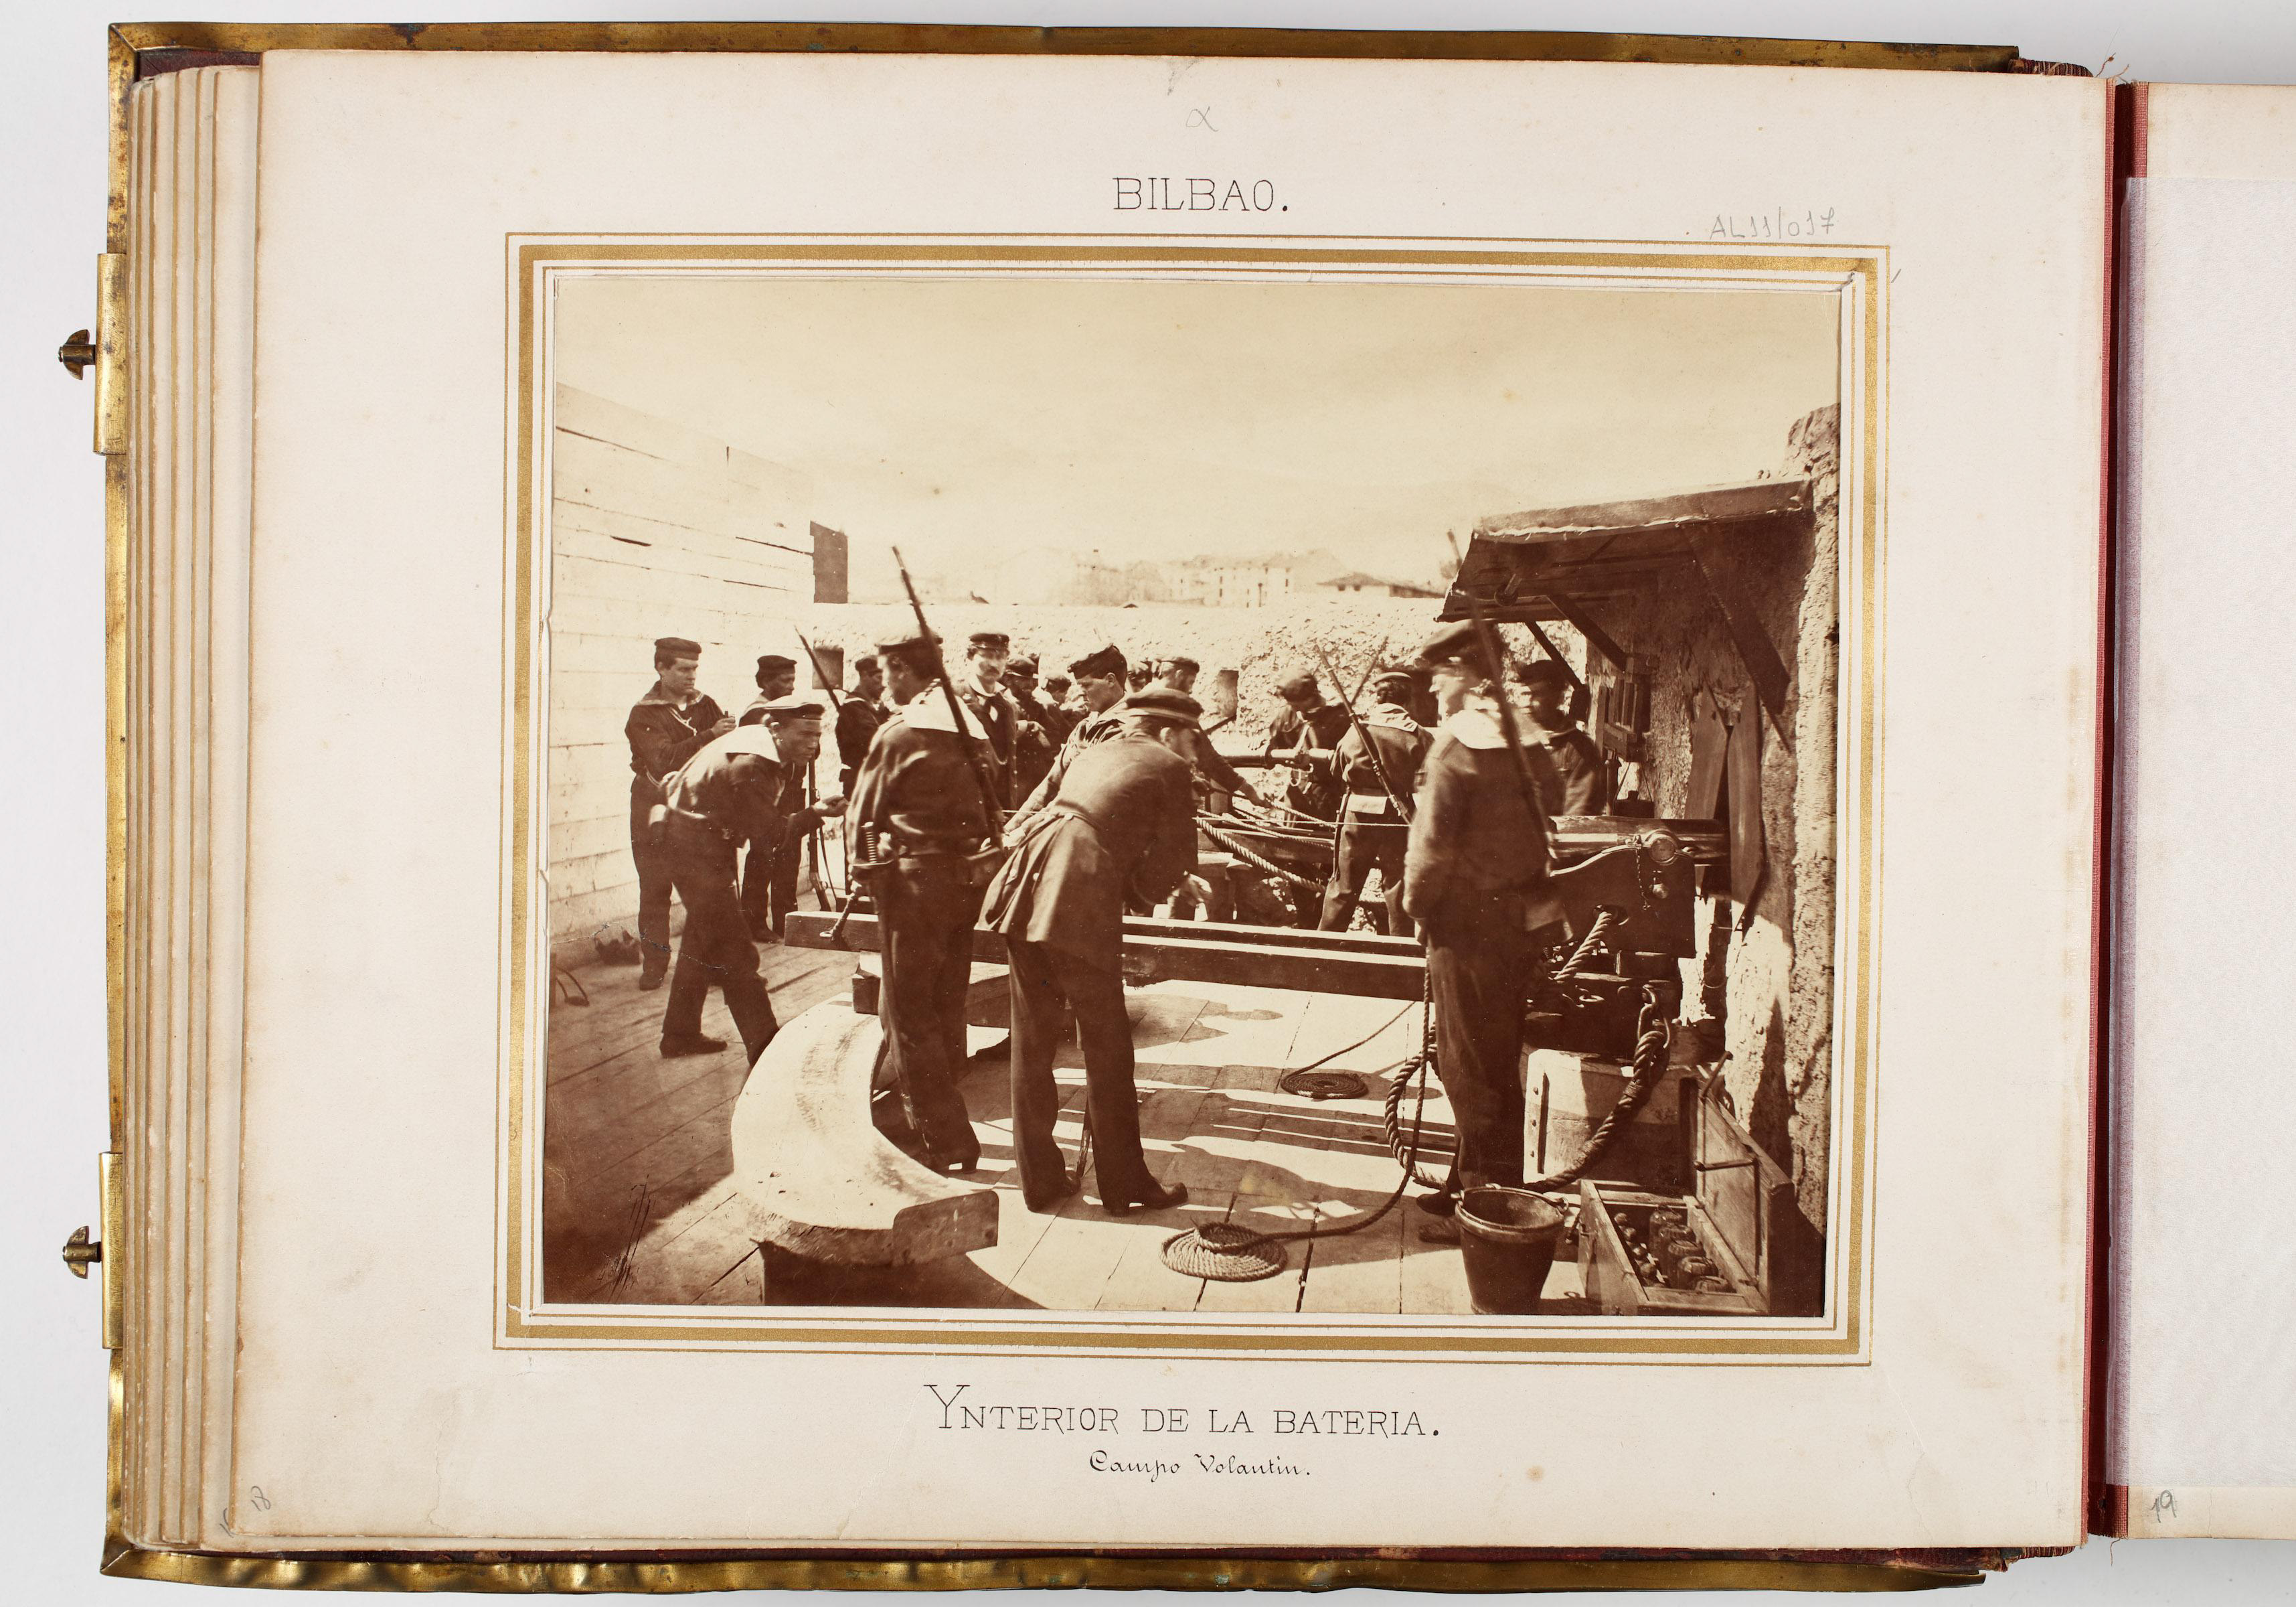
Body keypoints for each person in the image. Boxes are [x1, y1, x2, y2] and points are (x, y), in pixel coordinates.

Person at [982, 688, 1202, 1215]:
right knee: (1108, 1048)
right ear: (1169, 732)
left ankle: (1040, 1183)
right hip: (1075, 898)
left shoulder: (1096, 750)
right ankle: (1124, 1187)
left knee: (1032, 1041)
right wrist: (1152, 889)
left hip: (1026, 886)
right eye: (1192, 738)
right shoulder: (1171, 765)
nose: (1194, 750)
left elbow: (1099, 817)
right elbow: (1173, 855)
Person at [1402, 622, 1555, 1241]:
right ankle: (1467, 1181)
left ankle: (1485, 1213)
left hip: (1463, 926)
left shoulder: (1456, 748)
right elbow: (1548, 818)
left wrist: (1417, 908)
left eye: (1440, 675)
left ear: (1466, 674)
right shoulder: (1528, 739)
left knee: (1468, 1065)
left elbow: (1431, 849)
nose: (1432, 687)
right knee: (1493, 1054)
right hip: (1516, 921)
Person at [846, 632, 999, 1172]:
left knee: (906, 1012)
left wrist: (865, 872)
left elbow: (863, 816)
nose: (885, 684)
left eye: (887, 672)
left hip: (913, 887)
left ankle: (939, 1140)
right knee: (945, 1000)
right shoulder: (970, 726)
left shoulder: (899, 733)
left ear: (901, 669)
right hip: (965, 883)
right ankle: (943, 1113)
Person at [656, 698, 845, 1062]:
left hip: (696, 842)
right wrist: (816, 814)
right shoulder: (751, 765)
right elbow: (769, 836)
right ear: (776, 729)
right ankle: (766, 1052)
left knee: (701, 941)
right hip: (692, 848)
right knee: (737, 953)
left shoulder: (757, 745)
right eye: (804, 734)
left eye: (817, 735)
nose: (813, 744)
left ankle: (679, 1035)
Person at [623, 637, 733, 989]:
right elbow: (662, 759)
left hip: (696, 806)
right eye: (684, 669)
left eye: (695, 668)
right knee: (655, 887)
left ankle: (713, 962)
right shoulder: (644, 713)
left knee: (706, 887)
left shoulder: (706, 705)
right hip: (652, 805)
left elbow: (725, 750)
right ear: (661, 668)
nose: (692, 676)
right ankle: (655, 965)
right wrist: (711, 735)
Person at [1315, 667, 1432, 937]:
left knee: (1343, 887)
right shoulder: (1418, 734)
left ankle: (1324, 945)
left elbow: (1336, 768)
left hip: (1357, 813)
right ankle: (1399, 951)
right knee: (1399, 886)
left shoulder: (1358, 729)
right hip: (1399, 816)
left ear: (1379, 698)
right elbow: (1429, 779)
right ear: (1408, 700)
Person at [1009, 645, 1130, 826]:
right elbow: (1051, 784)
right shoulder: (1086, 726)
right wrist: (1012, 826)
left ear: (1110, 680)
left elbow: (1079, 796)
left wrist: (1024, 830)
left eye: (1086, 685)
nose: (1080, 692)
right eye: (1079, 685)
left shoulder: (1126, 728)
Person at [738, 654, 808, 939]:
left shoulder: (788, 711)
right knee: (763, 856)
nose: (792, 686)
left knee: (790, 857)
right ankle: (754, 922)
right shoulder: (755, 715)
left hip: (791, 793)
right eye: (785, 680)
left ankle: (786, 921)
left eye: (793, 680)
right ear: (766, 681)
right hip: (766, 797)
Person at [1518, 659, 1610, 816]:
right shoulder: (1513, 741)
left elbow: (1577, 817)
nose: (1527, 703)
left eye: (1536, 694)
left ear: (1558, 698)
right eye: (1524, 694)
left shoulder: (1580, 750)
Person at [1263, 669, 1349, 822]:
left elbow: (1348, 757)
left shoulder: (1339, 715)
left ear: (1311, 697)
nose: (1292, 707)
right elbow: (1275, 742)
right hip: (1297, 791)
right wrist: (1266, 744)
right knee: (1292, 835)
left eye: (1296, 703)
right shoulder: (1287, 713)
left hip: (1328, 793)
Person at [952, 630, 1021, 809]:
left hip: (1003, 806)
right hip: (967, 805)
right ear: (969, 658)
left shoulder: (1007, 705)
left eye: (1000, 657)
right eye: (987, 656)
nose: (994, 664)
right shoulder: (955, 698)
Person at [1003, 654, 1060, 806]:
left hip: (1037, 774)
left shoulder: (1037, 706)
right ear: (1008, 680)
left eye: (1030, 679)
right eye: (1023, 679)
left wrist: (1038, 734)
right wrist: (1027, 729)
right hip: (1015, 777)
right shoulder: (1002, 704)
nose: (1029, 684)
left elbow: (1055, 735)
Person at [834, 654, 888, 793]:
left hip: (873, 781)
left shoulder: (872, 707)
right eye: (879, 678)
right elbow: (877, 741)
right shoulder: (853, 708)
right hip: (860, 784)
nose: (884, 685)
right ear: (864, 676)